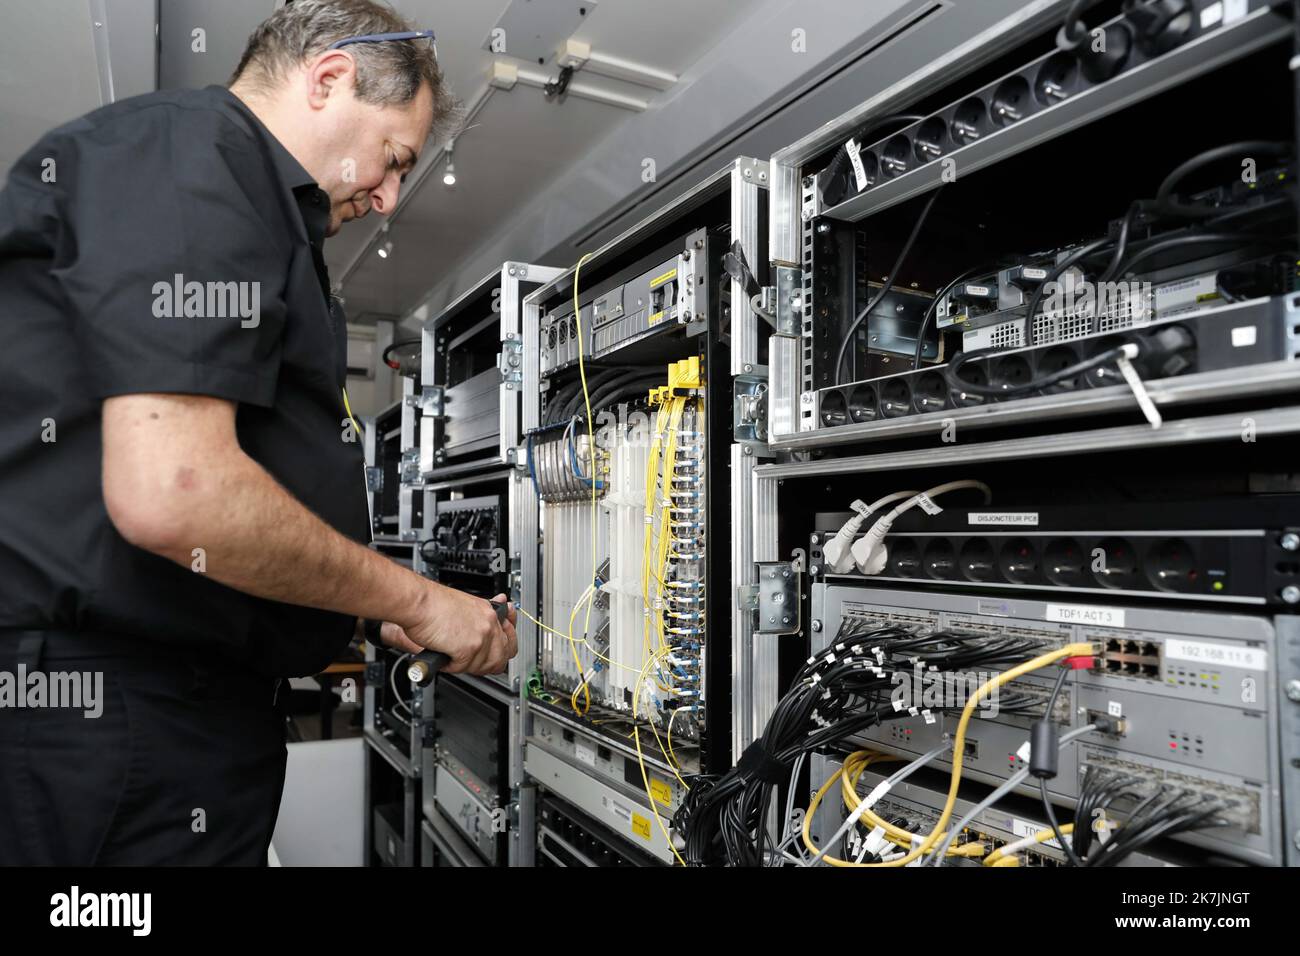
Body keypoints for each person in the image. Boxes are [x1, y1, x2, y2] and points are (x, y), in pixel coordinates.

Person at [0, 0, 516, 865]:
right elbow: (177, 493)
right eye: (394, 159)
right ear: (329, 78)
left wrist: (361, 614)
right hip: (117, 728)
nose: (389, 197)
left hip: (156, 724)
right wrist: (420, 601)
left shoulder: (241, 201)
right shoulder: (200, 156)